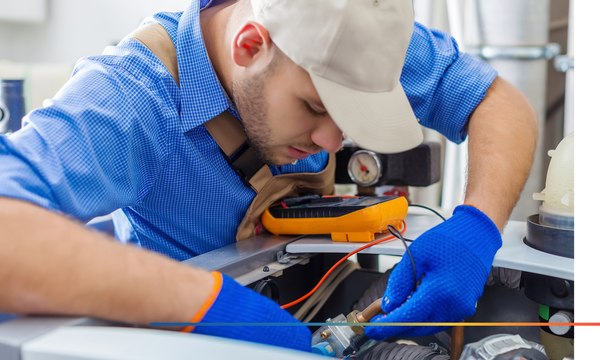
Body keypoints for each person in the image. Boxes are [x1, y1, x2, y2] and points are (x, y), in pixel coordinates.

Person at [0, 0, 537, 352]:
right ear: (250, 46)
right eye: (313, 106)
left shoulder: (350, 33)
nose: (333, 142)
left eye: (346, 117)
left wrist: (477, 226)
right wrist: (205, 302)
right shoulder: (129, 97)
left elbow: (498, 101)